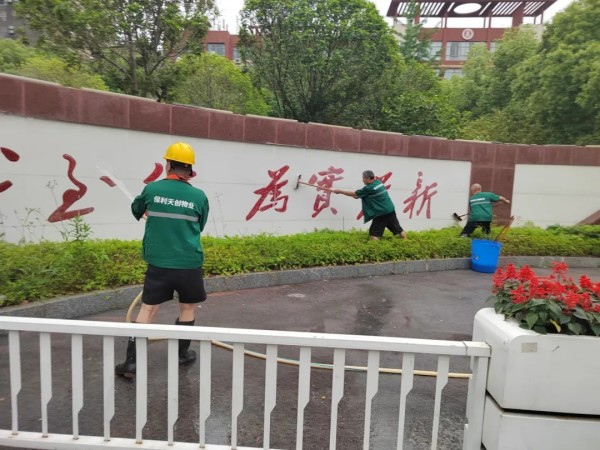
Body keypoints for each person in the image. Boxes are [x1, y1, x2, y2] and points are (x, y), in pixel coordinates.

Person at [115, 142, 210, 378]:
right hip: (189, 262)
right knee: (187, 307)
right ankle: (181, 355)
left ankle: (131, 363)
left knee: (148, 309)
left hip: (159, 262)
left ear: (168, 164)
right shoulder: (199, 196)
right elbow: (199, 225)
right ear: (190, 169)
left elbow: (137, 210)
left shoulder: (152, 189)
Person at [333, 170, 407, 240]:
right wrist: (359, 195)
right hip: (390, 210)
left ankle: (375, 248)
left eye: (363, 178)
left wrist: (340, 191)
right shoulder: (378, 182)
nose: (362, 180)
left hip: (381, 213)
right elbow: (371, 194)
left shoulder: (369, 188)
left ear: (368, 178)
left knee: (374, 235)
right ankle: (406, 241)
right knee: (399, 230)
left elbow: (355, 193)